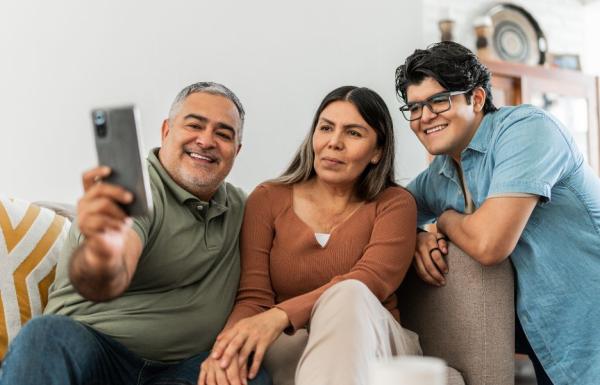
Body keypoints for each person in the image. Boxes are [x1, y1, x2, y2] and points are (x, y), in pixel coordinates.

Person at [0, 82, 270, 385]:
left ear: (237, 150)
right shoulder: (132, 187)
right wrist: (104, 253)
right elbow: (111, 269)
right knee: (44, 335)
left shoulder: (244, 209)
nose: (206, 140)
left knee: (249, 372)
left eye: (223, 134)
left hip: (180, 371)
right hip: (96, 354)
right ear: (166, 131)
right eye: (194, 125)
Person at [395, 41, 600, 385]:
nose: (424, 117)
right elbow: (388, 215)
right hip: (547, 341)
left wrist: (443, 221)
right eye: (414, 108)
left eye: (438, 101)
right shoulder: (440, 173)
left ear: (476, 99)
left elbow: (490, 244)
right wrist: (415, 236)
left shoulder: (527, 131)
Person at [198, 86, 422, 385]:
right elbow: (254, 297)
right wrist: (224, 350)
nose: (334, 142)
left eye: (353, 133)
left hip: (376, 343)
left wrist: (279, 317)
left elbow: (372, 280)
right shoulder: (267, 198)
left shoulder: (395, 204)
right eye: (326, 128)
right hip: (295, 343)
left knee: (349, 292)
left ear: (377, 152)